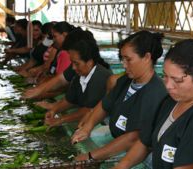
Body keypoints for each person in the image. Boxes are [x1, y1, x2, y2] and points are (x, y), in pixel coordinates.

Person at [112, 39, 193, 169]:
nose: (168, 86)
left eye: (177, 80)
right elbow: (145, 142)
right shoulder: (170, 100)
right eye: (165, 76)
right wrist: (122, 165)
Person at [71, 30, 168, 161]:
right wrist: (87, 127)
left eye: (128, 59)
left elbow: (132, 138)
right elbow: (104, 105)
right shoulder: (125, 81)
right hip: (116, 139)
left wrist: (90, 156)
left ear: (146, 57)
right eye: (122, 59)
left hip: (136, 155)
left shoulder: (156, 92)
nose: (124, 64)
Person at [40, 35, 112, 127]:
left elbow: (88, 110)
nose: (73, 68)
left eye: (76, 63)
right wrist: (55, 109)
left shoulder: (100, 77)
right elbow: (69, 100)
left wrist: (61, 120)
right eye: (72, 63)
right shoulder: (79, 75)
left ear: (89, 62)